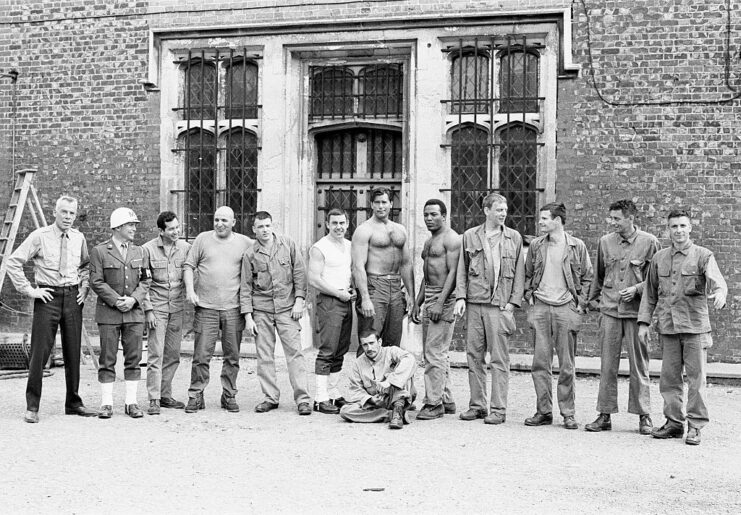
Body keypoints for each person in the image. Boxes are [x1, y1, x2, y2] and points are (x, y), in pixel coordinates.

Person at [5, 195, 98, 423]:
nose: (67, 217)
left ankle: (74, 403)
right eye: (64, 212)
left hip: (72, 297)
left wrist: (84, 288)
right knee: (40, 352)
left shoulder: (79, 238)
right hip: (48, 297)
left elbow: (85, 266)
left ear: (76, 215)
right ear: (55, 212)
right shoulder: (40, 236)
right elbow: (13, 262)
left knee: (73, 350)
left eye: (72, 213)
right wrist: (30, 290)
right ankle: (32, 406)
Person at [638, 209, 727, 446]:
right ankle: (674, 423)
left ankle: (695, 426)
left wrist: (720, 293)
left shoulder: (703, 255)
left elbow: (717, 282)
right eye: (674, 226)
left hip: (695, 327)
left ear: (690, 228)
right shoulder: (659, 258)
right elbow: (650, 293)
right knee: (669, 379)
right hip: (668, 327)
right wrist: (644, 322)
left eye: (682, 226)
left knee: (696, 379)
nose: (678, 230)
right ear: (668, 229)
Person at [585, 200, 660, 434]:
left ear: (631, 218)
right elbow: (598, 276)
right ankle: (604, 414)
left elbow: (656, 280)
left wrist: (637, 289)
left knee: (639, 366)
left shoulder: (649, 243)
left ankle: (644, 415)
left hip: (636, 314)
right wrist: (591, 302)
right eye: (611, 218)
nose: (612, 222)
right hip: (609, 312)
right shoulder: (605, 242)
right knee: (607, 365)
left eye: (617, 218)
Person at [452, 193, 525, 425]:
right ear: (486, 211)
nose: (503, 213)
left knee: (499, 359)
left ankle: (498, 409)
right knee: (473, 356)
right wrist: (460, 297)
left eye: (505, 210)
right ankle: (477, 405)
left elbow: (520, 275)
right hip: (474, 304)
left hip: (499, 306)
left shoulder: (514, 237)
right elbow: (461, 270)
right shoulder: (470, 236)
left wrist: (512, 304)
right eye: (499, 210)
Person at [524, 202, 592, 430]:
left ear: (557, 220)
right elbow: (528, 274)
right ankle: (543, 411)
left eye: (545, 218)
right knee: (540, 363)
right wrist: (529, 296)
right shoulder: (536, 245)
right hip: (541, 307)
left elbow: (588, 277)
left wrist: (579, 304)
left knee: (567, 365)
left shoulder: (576, 246)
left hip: (566, 308)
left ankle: (568, 413)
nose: (541, 222)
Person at [241, 211, 312, 416]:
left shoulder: (287, 244)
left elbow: (299, 272)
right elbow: (245, 287)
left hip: (287, 309)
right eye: (260, 227)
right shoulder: (250, 254)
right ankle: (270, 397)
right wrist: (248, 317)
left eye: (267, 225)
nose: (265, 230)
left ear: (273, 226)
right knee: (264, 356)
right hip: (261, 310)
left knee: (295, 354)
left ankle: (303, 399)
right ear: (253, 230)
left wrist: (299, 301)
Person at [183, 206, 252, 413]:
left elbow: (261, 256)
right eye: (216, 220)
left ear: (233, 223)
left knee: (232, 355)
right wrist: (190, 290)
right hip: (206, 308)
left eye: (224, 220)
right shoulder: (202, 239)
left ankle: (229, 394)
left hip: (233, 308)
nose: (219, 224)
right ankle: (196, 395)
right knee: (201, 355)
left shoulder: (245, 243)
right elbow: (188, 266)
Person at [90, 207, 151, 419]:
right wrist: (117, 301)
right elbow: (96, 281)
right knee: (107, 358)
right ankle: (107, 403)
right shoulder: (100, 251)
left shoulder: (140, 251)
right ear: (117, 227)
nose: (134, 228)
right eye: (130, 225)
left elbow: (146, 280)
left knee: (133, 358)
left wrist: (134, 299)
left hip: (134, 313)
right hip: (109, 313)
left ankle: (131, 402)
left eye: (134, 225)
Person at [411, 199, 461, 420]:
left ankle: (433, 403)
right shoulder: (429, 241)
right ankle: (446, 399)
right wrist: (417, 302)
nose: (429, 218)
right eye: (426, 215)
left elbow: (453, 273)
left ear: (444, 215)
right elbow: (426, 276)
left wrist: (441, 302)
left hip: (445, 298)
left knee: (434, 352)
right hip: (431, 296)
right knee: (436, 352)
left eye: (433, 214)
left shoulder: (451, 239)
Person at [141, 211, 191, 415]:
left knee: (173, 354)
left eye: (177, 227)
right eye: (171, 229)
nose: (176, 231)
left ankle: (165, 395)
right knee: (156, 353)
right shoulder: (147, 250)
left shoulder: (186, 248)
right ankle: (153, 398)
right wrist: (148, 310)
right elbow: (143, 282)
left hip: (177, 308)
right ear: (161, 231)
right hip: (158, 308)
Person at [351, 187, 414, 351]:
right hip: (375, 286)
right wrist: (365, 298)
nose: (381, 206)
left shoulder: (400, 229)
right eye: (377, 202)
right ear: (371, 204)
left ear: (391, 204)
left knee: (393, 343)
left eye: (384, 202)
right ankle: (366, 377)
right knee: (369, 339)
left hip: (395, 286)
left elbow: (406, 263)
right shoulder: (364, 230)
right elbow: (358, 266)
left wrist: (411, 295)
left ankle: (389, 377)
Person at [307, 208, 355, 414]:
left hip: (346, 300)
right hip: (329, 301)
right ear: (327, 224)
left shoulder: (349, 245)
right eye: (334, 223)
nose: (339, 227)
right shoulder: (319, 248)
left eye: (342, 223)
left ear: (347, 223)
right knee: (327, 349)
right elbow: (314, 279)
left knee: (341, 348)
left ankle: (333, 392)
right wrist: (337, 293)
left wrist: (350, 290)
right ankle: (320, 398)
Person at [339, 331, 417, 429]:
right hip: (377, 402)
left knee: (404, 369)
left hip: (397, 394)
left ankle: (398, 410)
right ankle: (389, 414)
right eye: (365, 345)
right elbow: (356, 390)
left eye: (372, 343)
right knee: (345, 411)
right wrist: (370, 399)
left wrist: (390, 381)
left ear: (379, 342)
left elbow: (410, 359)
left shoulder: (391, 351)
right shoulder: (358, 364)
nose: (369, 348)